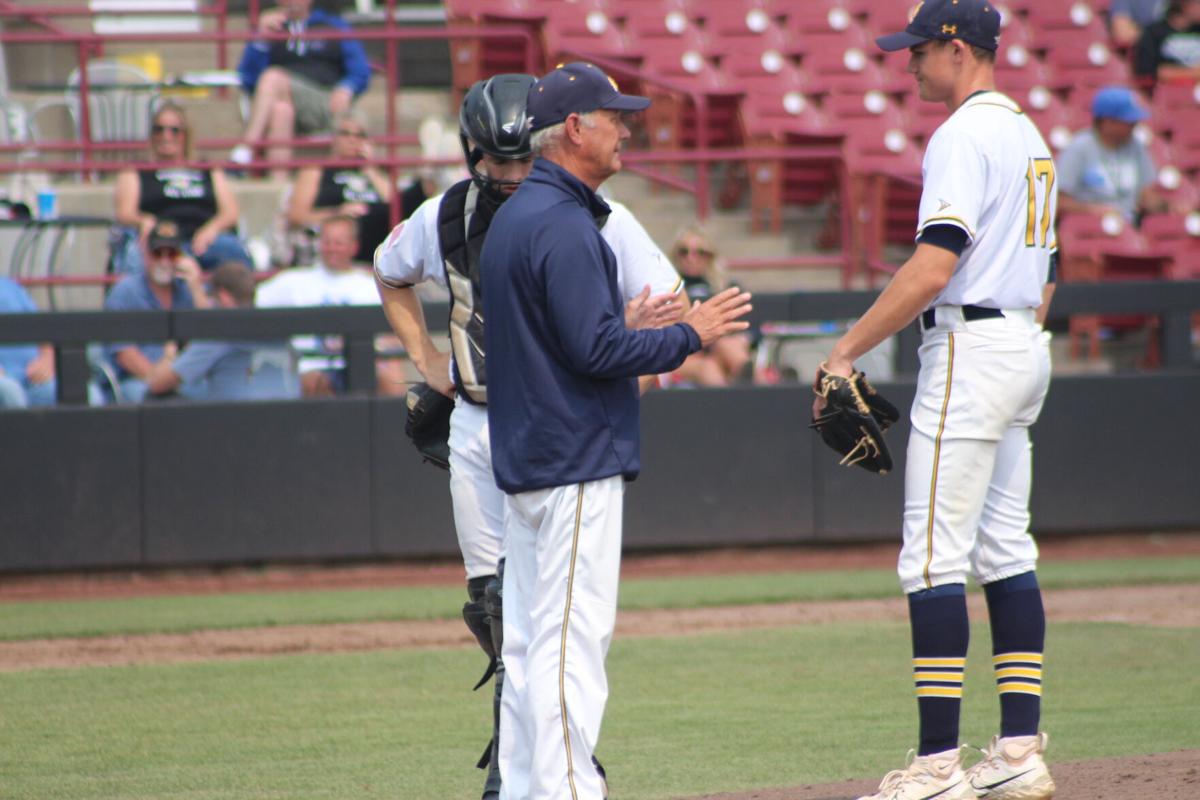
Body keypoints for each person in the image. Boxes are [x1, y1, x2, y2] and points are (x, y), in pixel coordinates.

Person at [374, 72, 683, 800]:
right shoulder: (450, 214)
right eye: (497, 161)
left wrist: (594, 397)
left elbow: (668, 304)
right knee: (508, 612)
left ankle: (546, 768)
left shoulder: (594, 215)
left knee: (542, 622)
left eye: (520, 159)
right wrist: (427, 362)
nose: (510, 176)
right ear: (473, 153)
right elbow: (390, 273)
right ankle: (538, 771)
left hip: (551, 425)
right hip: (486, 421)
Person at [479, 62, 752, 800]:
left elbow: (563, 337)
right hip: (572, 459)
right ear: (574, 128)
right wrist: (689, 334)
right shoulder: (565, 223)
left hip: (533, 454)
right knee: (570, 645)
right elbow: (596, 353)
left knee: (534, 646)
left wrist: (621, 325)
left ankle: (528, 789)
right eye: (614, 117)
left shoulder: (518, 216)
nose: (626, 128)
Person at [828, 3, 1058, 799]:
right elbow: (1051, 268)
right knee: (1006, 549)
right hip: (1024, 343)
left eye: (918, 51)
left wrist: (844, 351)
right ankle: (1018, 755)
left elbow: (934, 265)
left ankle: (934, 769)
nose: (910, 64)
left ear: (957, 48)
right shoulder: (1029, 131)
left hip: (971, 343)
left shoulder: (962, 134)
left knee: (932, 557)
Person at [256, 215, 404, 397]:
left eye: (338, 243)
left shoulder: (372, 286)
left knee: (391, 377)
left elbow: (396, 333)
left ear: (354, 247)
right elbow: (251, 300)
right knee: (316, 382)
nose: (332, 248)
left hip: (362, 366)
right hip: (312, 367)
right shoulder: (294, 281)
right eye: (327, 242)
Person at [234, 0, 371, 177]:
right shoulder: (271, 28)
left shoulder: (333, 26)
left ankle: (246, 150)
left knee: (272, 77)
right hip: (282, 101)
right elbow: (248, 79)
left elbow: (361, 70)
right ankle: (279, 184)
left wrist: (347, 87)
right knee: (280, 111)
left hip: (325, 101)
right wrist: (261, 40)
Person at [112, 102, 251, 275]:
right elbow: (124, 213)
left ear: (186, 135)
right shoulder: (136, 170)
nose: (166, 135)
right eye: (159, 129)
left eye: (174, 130)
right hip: (159, 242)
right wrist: (144, 221)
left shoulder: (208, 169)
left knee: (232, 250)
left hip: (203, 241)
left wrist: (211, 230)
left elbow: (230, 212)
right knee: (136, 254)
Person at [145, 263, 299, 401]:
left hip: (239, 426)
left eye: (211, 297)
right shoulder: (277, 328)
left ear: (224, 297)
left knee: (154, 397)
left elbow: (158, 384)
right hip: (292, 424)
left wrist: (169, 353)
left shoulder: (220, 332)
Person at [104, 220, 211, 403]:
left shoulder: (189, 289)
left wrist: (196, 287)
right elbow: (124, 354)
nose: (164, 261)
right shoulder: (125, 291)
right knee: (150, 398)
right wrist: (161, 379)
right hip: (138, 380)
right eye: (157, 253)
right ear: (146, 254)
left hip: (185, 377)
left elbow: (213, 333)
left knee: (212, 395)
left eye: (172, 254)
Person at [286, 112, 394, 263]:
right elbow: (296, 216)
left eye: (360, 135)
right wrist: (338, 213)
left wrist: (369, 168)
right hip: (332, 242)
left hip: (374, 241)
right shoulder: (315, 171)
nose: (352, 140)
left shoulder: (376, 172)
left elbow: (396, 205)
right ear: (334, 138)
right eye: (346, 134)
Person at [1057, 86, 1167, 223]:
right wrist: (1091, 210)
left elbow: (1146, 192)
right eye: (1129, 122)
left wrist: (1165, 206)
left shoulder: (1135, 145)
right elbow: (1058, 201)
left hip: (1130, 227)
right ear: (1107, 121)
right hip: (1091, 227)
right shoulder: (1079, 148)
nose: (1135, 126)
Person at [667, 222, 753, 386]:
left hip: (720, 348)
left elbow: (747, 328)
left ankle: (752, 385)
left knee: (730, 347)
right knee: (709, 366)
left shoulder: (727, 288)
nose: (691, 258)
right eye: (684, 252)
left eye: (700, 252)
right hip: (682, 352)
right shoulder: (667, 288)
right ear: (675, 256)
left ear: (711, 256)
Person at [0, 277, 56, 408]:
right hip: (5, 383)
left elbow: (43, 331)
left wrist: (47, 360)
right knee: (9, 391)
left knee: (84, 392)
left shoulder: (9, 287)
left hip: (33, 379)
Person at [1133, 0, 1200, 85]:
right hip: (1164, 91)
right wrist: (1192, 73)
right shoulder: (1154, 32)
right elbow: (1149, 72)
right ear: (1184, 4)